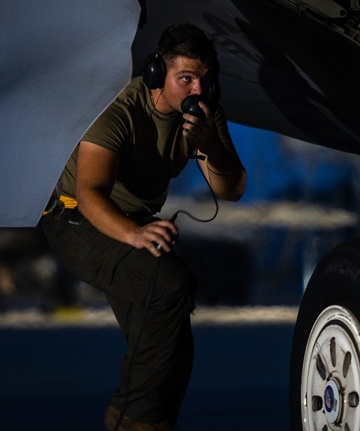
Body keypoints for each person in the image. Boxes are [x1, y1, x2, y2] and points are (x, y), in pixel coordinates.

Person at [41, 23, 246, 431]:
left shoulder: (203, 117)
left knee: (169, 339)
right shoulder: (117, 109)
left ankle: (154, 421)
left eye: (204, 80)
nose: (196, 90)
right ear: (157, 74)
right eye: (185, 78)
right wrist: (135, 234)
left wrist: (210, 143)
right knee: (169, 287)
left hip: (132, 223)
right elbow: (90, 193)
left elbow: (231, 188)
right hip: (76, 219)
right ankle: (131, 418)